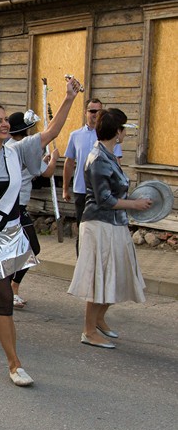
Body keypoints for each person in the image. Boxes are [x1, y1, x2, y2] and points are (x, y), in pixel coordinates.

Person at [0, 78, 81, 387]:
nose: (5, 124)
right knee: (4, 299)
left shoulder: (17, 151)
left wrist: (69, 98)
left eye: (6, 119)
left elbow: (52, 132)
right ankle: (14, 364)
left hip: (12, 235)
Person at [68, 109, 151, 349]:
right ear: (118, 131)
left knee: (118, 275)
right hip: (98, 225)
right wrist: (135, 204)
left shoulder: (109, 155)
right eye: (124, 129)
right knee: (99, 278)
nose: (126, 133)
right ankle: (88, 330)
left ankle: (100, 320)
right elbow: (104, 198)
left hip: (114, 224)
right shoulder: (97, 158)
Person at [6, 112, 59, 308]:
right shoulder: (22, 149)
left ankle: (8, 287)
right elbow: (48, 172)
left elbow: (33, 169)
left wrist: (41, 158)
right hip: (15, 206)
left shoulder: (10, 147)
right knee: (31, 248)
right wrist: (53, 158)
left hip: (15, 205)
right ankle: (10, 287)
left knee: (22, 248)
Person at [62, 98, 123, 255]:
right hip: (82, 190)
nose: (96, 114)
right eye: (92, 111)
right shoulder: (75, 135)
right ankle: (81, 266)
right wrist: (65, 188)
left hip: (104, 192)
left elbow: (117, 164)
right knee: (83, 230)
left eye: (99, 111)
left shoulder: (109, 135)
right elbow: (69, 163)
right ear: (85, 112)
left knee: (101, 231)